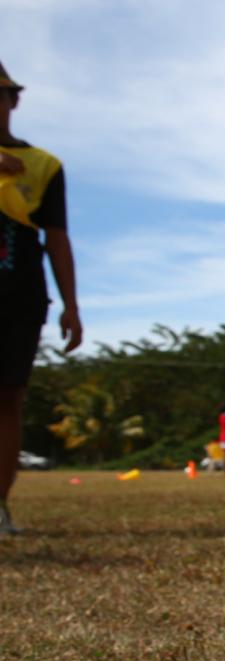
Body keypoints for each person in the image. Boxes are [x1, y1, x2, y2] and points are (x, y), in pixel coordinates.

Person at [0, 62, 82, 536]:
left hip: (18, 296)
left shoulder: (43, 166)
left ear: (14, 101)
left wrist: (71, 304)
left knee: (7, 398)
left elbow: (57, 238)